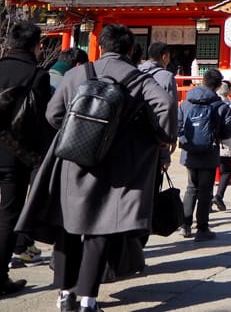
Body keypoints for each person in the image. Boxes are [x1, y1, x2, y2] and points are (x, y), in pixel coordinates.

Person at [17, 23, 176, 312]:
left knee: (68, 227)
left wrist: (76, 131)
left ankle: (65, 296)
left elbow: (53, 114)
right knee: (98, 230)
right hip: (114, 168)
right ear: (129, 49)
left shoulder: (78, 74)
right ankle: (89, 300)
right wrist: (161, 138)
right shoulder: (139, 80)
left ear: (101, 46)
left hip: (73, 161)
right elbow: (165, 105)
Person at [0, 21, 53, 298]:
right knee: (9, 215)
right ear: (36, 45)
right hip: (15, 155)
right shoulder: (38, 76)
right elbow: (42, 121)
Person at [177, 68, 231, 241]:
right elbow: (227, 132)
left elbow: (178, 125)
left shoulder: (186, 103)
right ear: (218, 86)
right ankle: (202, 229)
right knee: (205, 190)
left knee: (191, 188)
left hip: (189, 151)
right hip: (209, 152)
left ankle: (185, 225)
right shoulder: (220, 106)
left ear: (203, 82)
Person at [138, 42, 178, 172]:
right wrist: (172, 137)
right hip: (157, 131)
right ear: (164, 56)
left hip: (137, 129)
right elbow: (170, 108)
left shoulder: (136, 72)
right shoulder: (166, 77)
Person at [213, 80, 231, 211]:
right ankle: (219, 195)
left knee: (210, 172)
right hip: (225, 141)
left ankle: (207, 198)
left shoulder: (211, 103)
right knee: (226, 171)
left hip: (211, 141)